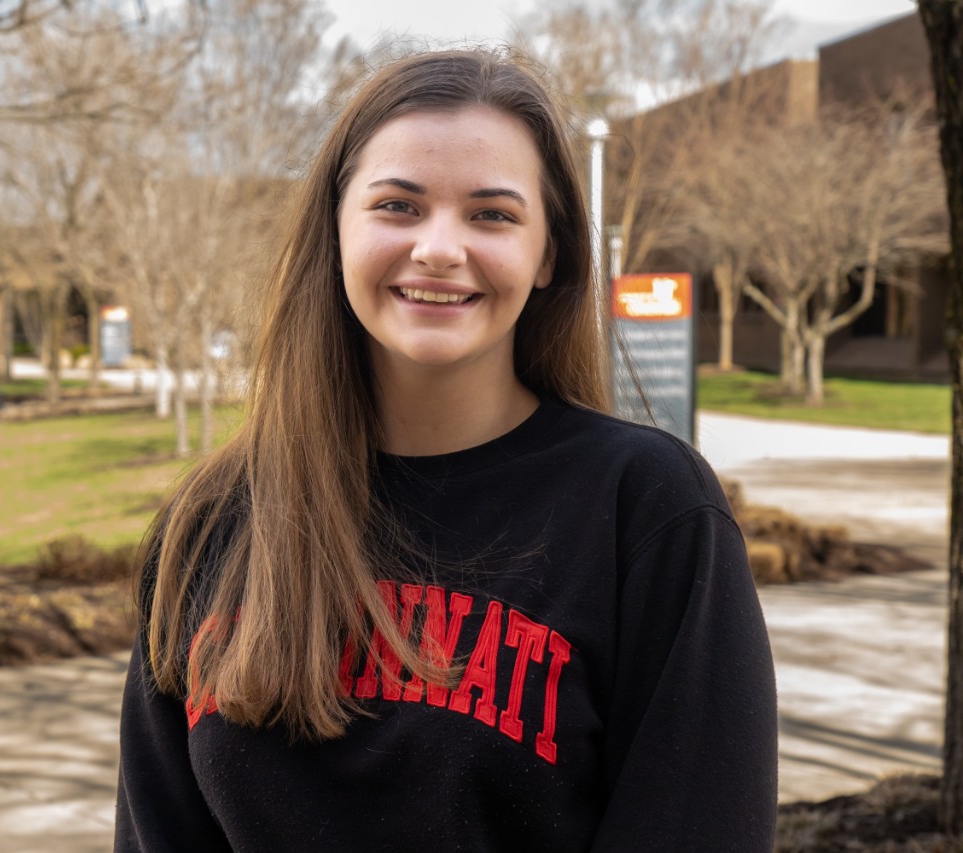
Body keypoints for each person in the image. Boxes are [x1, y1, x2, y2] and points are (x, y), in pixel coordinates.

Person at [115, 48, 777, 852]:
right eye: (398, 205)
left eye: (492, 214)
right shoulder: (213, 521)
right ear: (336, 229)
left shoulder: (647, 509)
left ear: (550, 254)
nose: (438, 246)